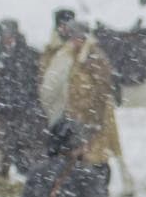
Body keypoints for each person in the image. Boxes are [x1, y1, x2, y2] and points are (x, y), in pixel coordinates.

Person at [38, 12, 122, 171]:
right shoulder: (68, 55)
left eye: (77, 38)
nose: (74, 41)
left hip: (93, 117)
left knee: (95, 159)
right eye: (72, 38)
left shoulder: (94, 57)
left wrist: (93, 117)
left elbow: (102, 89)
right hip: (74, 117)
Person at [0, 18, 45, 179]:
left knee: (32, 151)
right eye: (4, 35)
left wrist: (29, 103)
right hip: (7, 114)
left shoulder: (30, 55)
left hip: (28, 113)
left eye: (10, 34)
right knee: (9, 149)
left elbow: (36, 83)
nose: (7, 39)